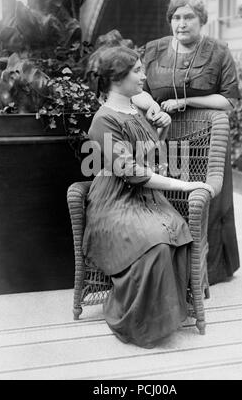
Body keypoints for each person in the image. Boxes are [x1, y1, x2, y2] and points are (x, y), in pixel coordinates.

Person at [83, 45, 214, 348]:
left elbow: (150, 158)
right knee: (154, 242)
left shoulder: (135, 109)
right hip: (115, 202)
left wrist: (162, 130)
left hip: (146, 198)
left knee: (178, 233)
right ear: (117, 78)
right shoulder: (103, 121)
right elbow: (131, 172)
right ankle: (137, 320)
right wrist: (187, 185)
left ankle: (167, 315)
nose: (144, 75)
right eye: (137, 70)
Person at [143, 0, 240, 285]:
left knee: (209, 202)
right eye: (176, 17)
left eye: (188, 18)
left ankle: (210, 270)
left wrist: (186, 102)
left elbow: (229, 101)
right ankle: (171, 265)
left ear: (202, 21)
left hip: (209, 139)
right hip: (163, 138)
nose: (181, 24)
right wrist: (151, 106)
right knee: (167, 199)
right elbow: (138, 86)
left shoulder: (219, 51)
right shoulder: (152, 49)